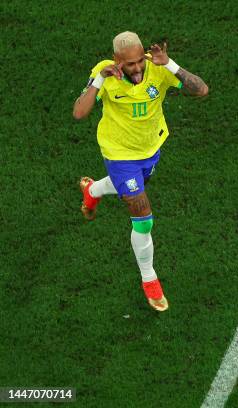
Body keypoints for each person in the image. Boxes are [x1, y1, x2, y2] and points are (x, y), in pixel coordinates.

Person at [73, 31, 208, 312]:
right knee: (142, 216)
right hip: (119, 154)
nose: (135, 69)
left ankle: (92, 190)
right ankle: (150, 279)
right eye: (128, 65)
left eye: (138, 62)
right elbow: (79, 112)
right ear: (115, 61)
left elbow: (201, 90)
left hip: (150, 148)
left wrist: (170, 65)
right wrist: (100, 80)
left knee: (133, 188)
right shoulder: (104, 73)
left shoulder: (158, 68)